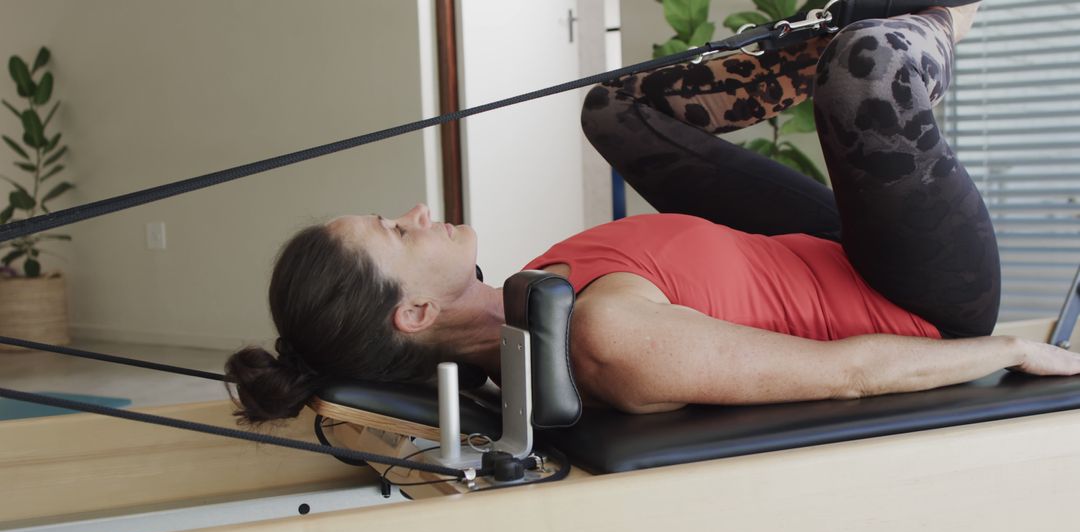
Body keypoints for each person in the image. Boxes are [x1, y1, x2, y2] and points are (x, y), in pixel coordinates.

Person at [225, 3, 1080, 422]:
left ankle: (845, 22)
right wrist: (1007, 349)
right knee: (869, 70)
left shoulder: (543, 286)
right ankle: (943, 15)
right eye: (397, 231)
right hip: (912, 300)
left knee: (612, 110)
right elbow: (847, 374)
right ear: (412, 311)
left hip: (822, 249)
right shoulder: (603, 336)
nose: (416, 211)